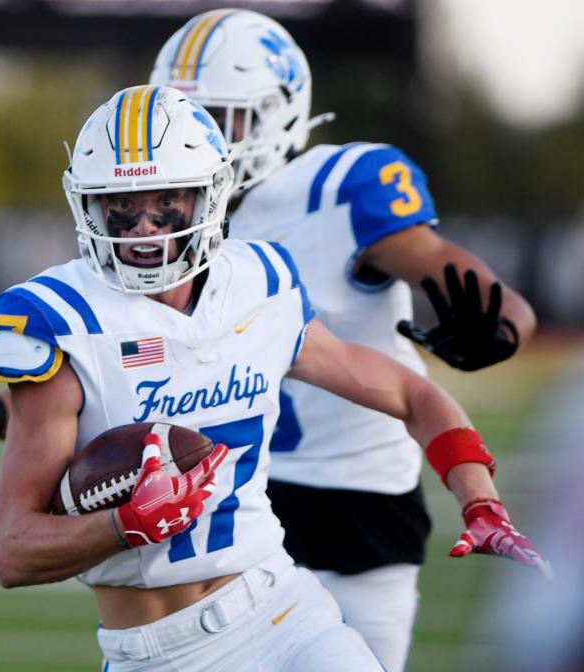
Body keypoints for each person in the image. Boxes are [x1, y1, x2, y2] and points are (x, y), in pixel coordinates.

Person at [0, 84, 546, 672]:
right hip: (156, 651)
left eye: (166, 200)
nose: (142, 227)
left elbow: (410, 391)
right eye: (120, 204)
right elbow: (12, 553)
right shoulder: (60, 320)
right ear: (87, 204)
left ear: (210, 196)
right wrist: (127, 524)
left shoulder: (259, 282)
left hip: (283, 614)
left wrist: (481, 503)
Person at [148, 9, 539, 670]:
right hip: (242, 492)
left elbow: (461, 277)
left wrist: (499, 329)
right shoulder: (165, 218)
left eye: (220, 116)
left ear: (276, 114)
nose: (200, 137)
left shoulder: (333, 189)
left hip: (357, 502)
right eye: (184, 117)